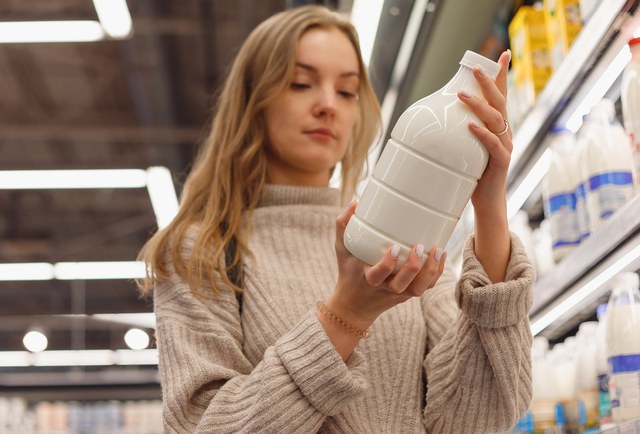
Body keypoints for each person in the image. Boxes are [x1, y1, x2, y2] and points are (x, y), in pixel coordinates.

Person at [139, 5, 535, 433]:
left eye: (346, 91)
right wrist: (347, 313)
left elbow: (482, 416)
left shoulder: (397, 229)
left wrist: (490, 203)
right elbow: (204, 426)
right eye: (301, 83)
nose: (328, 104)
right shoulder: (203, 252)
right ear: (253, 101)